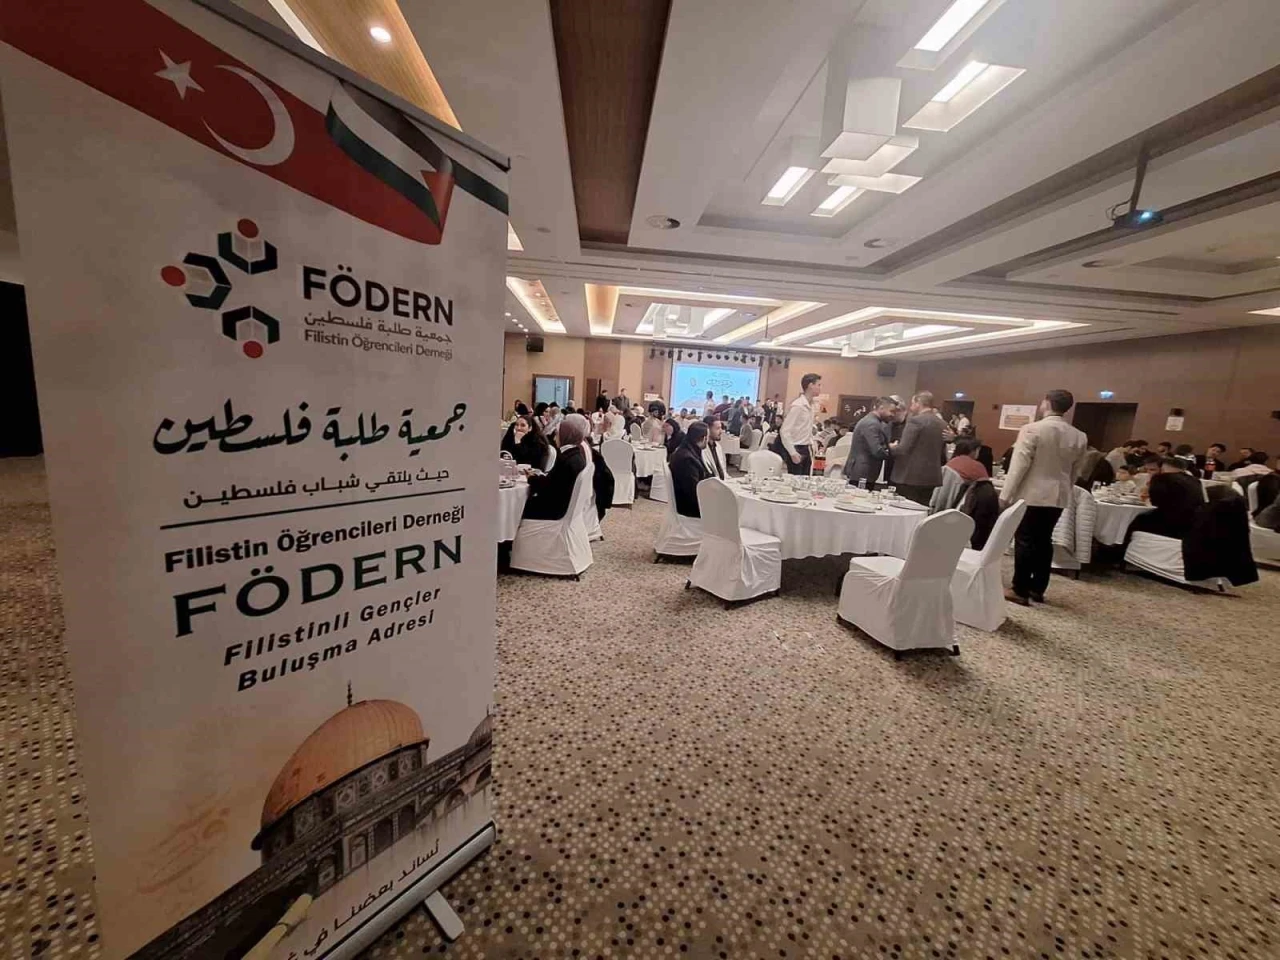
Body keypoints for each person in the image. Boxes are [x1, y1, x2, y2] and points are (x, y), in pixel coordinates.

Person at [999, 389, 1087, 605]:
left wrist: (1006, 495)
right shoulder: (1079, 435)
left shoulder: (1032, 429)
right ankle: (1037, 588)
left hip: (1033, 493)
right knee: (1044, 540)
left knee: (1025, 539)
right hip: (1059, 494)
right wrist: (1067, 488)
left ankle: (1019, 589)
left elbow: (1019, 466)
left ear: (1046, 403)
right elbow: (1076, 470)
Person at [521, 414, 588, 521]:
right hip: (562, 507)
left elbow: (549, 489)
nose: (555, 437)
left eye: (557, 433)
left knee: (517, 506)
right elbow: (555, 483)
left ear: (565, 435)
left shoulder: (567, 460)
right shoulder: (575, 455)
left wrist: (532, 479)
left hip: (554, 510)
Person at [889, 392, 947, 505]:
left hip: (909, 475)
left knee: (904, 508)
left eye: (912, 403)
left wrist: (890, 447)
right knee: (922, 508)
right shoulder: (942, 423)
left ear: (918, 403)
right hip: (931, 477)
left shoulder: (915, 421)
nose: (911, 407)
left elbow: (903, 449)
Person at [1128, 457, 1205, 540]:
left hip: (1168, 522)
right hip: (1192, 522)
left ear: (1163, 468)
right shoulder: (1195, 480)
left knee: (1139, 519)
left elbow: (1155, 502)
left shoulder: (1162, 478)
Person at [772, 373, 822, 475]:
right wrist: (792, 452)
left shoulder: (811, 405)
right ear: (810, 385)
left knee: (806, 479)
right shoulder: (798, 406)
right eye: (818, 385)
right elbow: (784, 431)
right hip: (796, 447)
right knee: (796, 479)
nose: (820, 388)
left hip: (806, 447)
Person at [843, 397, 894, 489]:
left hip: (862, 471)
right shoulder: (872, 423)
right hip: (863, 472)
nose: (892, 415)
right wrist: (892, 451)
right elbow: (876, 451)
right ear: (881, 408)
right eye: (891, 411)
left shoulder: (871, 421)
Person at [669, 421, 711, 518]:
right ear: (704, 438)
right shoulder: (687, 460)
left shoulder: (686, 450)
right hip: (689, 508)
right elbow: (693, 492)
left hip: (687, 501)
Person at [701, 416, 728, 480]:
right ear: (708, 430)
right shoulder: (702, 449)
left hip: (723, 481)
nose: (721, 431)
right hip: (711, 483)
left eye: (721, 428)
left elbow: (723, 470)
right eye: (717, 428)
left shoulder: (718, 447)